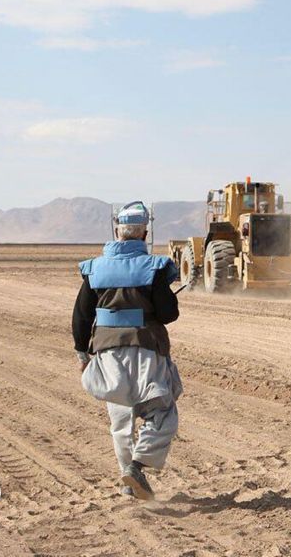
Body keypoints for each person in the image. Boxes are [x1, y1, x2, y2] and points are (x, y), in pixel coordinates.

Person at [72, 201, 182, 500]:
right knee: (162, 412)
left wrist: (82, 355)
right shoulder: (154, 268)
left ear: (117, 231)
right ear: (145, 233)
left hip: (107, 353)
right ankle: (137, 466)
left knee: (121, 421)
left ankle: (129, 483)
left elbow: (81, 316)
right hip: (146, 351)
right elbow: (168, 314)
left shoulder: (94, 269)